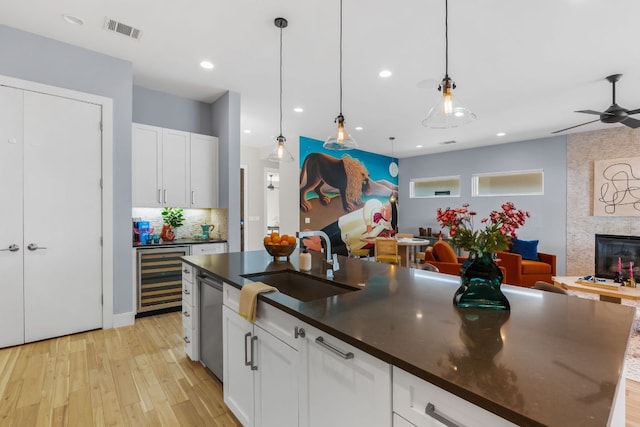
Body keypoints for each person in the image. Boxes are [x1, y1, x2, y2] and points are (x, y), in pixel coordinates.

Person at [302, 197, 396, 256]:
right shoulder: (376, 204)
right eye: (387, 206)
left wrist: (369, 238)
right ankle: (316, 237)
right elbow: (368, 208)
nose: (386, 208)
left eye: (389, 211)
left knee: (336, 243)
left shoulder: (382, 225)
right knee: (332, 231)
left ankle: (317, 246)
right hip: (348, 224)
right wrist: (368, 224)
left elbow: (373, 236)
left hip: (353, 236)